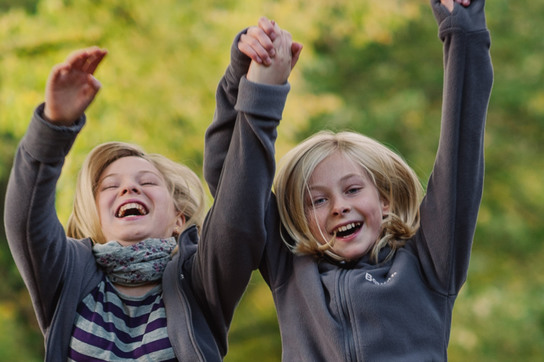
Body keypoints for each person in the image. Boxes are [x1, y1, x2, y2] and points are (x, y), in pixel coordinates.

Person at [204, 0, 493, 360]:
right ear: (300, 220)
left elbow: (461, 151)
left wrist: (462, 31)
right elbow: (233, 185)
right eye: (318, 200)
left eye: (353, 189)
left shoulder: (429, 263)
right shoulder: (290, 270)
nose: (340, 206)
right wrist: (245, 83)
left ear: (384, 201)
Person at [4, 19, 300, 361]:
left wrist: (250, 84)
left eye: (146, 182)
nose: (129, 187)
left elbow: (240, 208)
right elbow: (24, 220)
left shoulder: (199, 281)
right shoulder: (67, 275)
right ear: (93, 219)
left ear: (179, 218)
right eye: (110, 186)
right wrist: (54, 126)